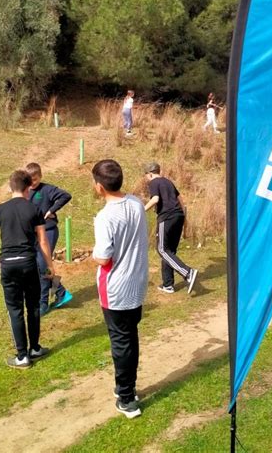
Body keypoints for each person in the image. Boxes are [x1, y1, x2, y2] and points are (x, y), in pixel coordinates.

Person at [92, 159, 148, 419]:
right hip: (136, 282)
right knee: (129, 337)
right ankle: (127, 388)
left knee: (121, 342)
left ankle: (127, 398)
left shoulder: (105, 217)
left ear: (99, 187)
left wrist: (94, 255)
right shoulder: (136, 203)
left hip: (116, 287)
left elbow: (104, 257)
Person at [0, 170, 54, 369]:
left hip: (8, 264)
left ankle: (22, 356)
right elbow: (42, 240)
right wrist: (50, 265)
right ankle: (35, 348)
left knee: (15, 309)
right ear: (29, 187)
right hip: (28, 263)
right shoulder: (34, 209)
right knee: (32, 306)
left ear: (10, 187)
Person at [25, 162, 73, 315]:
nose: (33, 183)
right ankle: (61, 292)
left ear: (40, 176)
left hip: (49, 231)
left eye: (35, 179)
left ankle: (43, 302)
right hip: (33, 234)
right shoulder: (25, 191)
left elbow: (66, 195)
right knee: (39, 266)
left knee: (43, 264)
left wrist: (52, 210)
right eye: (30, 180)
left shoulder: (47, 189)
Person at [144, 162, 198, 295]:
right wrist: (184, 224)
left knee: (162, 249)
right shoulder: (168, 182)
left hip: (167, 217)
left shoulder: (153, 182)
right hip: (178, 216)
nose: (146, 178)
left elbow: (156, 199)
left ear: (150, 174)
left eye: (146, 176)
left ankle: (188, 273)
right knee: (170, 251)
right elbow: (182, 203)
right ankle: (168, 284)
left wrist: (141, 209)